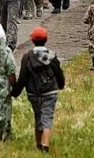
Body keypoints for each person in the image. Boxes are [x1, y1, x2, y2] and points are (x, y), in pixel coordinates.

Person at [11, 26, 66, 154]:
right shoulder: (51, 56)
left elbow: (23, 77)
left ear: (32, 40)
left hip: (34, 93)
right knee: (47, 117)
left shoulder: (28, 57)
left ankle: (38, 145)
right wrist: (61, 84)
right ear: (46, 40)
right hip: (50, 92)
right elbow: (58, 72)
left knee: (38, 116)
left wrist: (15, 92)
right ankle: (45, 146)